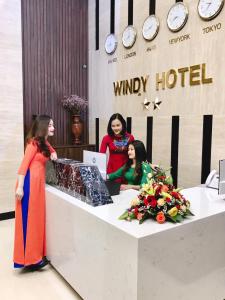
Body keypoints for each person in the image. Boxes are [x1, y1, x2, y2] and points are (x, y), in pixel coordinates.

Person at [13, 115, 57, 270]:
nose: (53, 128)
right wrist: (19, 187)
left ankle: (35, 255)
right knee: (29, 221)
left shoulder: (43, 142)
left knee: (36, 221)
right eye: (50, 125)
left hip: (37, 185)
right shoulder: (33, 143)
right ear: (44, 126)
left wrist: (53, 152)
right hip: (28, 185)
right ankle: (30, 259)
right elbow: (23, 165)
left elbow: (51, 150)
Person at [100, 113, 134, 182]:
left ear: (123, 124)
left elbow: (136, 153)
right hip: (112, 170)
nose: (115, 128)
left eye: (118, 125)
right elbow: (101, 156)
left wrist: (147, 165)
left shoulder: (130, 137)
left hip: (126, 170)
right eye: (113, 126)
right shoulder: (106, 138)